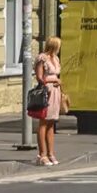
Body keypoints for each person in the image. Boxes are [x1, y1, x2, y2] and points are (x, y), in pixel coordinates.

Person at [31, 34, 63, 167]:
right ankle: (42, 155)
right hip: (45, 92)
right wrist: (53, 80)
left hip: (55, 91)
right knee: (43, 123)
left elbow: (56, 74)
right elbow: (40, 77)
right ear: (54, 46)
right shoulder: (42, 58)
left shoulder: (55, 58)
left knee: (51, 123)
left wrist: (58, 82)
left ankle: (51, 153)